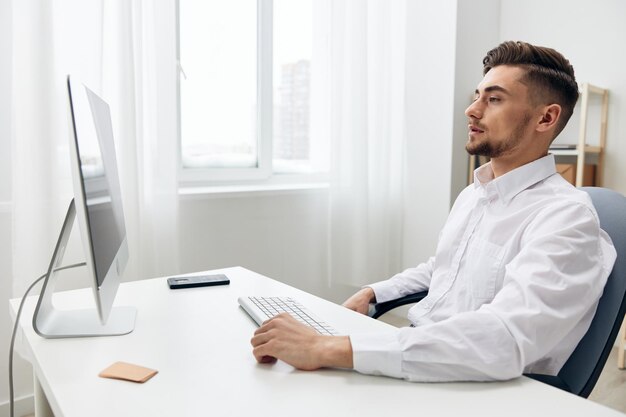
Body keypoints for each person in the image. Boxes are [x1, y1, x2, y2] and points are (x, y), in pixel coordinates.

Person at [249, 41, 617, 382]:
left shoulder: (566, 217)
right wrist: (375, 292)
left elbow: (503, 340)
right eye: (478, 96)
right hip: (425, 356)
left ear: (546, 118)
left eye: (495, 99)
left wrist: (327, 348)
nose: (472, 109)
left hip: (483, 385)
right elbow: (445, 265)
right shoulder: (476, 194)